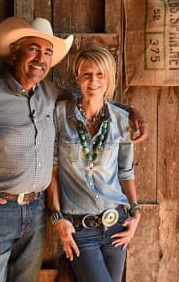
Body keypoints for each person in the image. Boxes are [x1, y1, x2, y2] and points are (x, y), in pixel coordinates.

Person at [0, 17, 145, 282]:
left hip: (37, 210)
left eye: (48, 53)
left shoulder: (52, 95)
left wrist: (131, 112)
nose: (41, 58)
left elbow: (93, 96)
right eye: (34, 49)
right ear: (14, 50)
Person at [47, 46, 141, 282]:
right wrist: (58, 218)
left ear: (109, 77)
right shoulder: (60, 115)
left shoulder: (122, 120)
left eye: (101, 74)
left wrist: (136, 212)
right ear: (77, 77)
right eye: (87, 74)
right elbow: (53, 171)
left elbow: (126, 172)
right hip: (80, 228)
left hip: (116, 223)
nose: (93, 81)